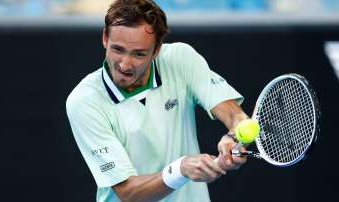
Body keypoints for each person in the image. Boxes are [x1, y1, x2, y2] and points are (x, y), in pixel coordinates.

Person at [66, 0, 249, 201]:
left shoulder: (181, 58)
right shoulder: (84, 101)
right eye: (118, 49)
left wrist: (234, 139)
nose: (125, 64)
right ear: (104, 38)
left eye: (139, 54)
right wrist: (181, 169)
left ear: (156, 50)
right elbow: (128, 193)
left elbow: (235, 116)